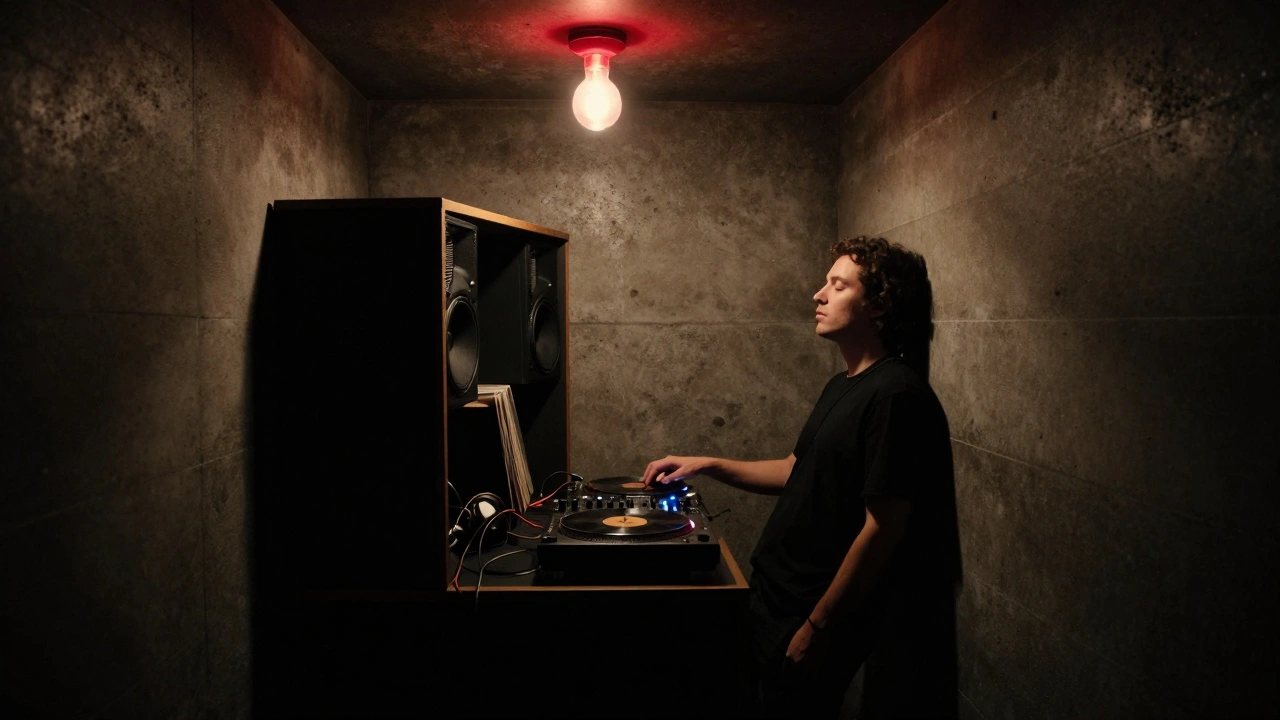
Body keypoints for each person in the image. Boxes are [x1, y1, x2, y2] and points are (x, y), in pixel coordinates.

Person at [643, 236, 953, 719]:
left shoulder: (896, 395)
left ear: (879, 305)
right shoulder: (844, 382)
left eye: (838, 285)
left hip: (809, 613)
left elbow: (883, 528)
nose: (818, 294)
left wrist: (818, 627)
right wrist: (704, 463)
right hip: (775, 597)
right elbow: (794, 469)